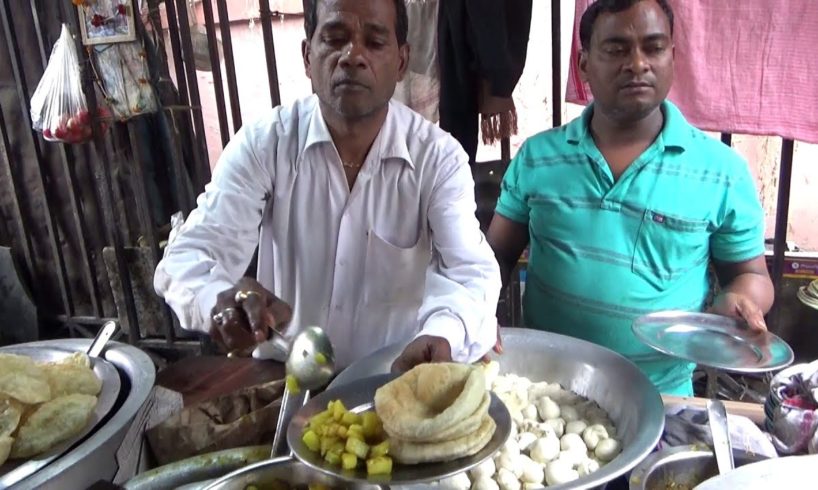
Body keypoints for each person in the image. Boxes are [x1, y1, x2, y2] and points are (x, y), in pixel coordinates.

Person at [154, 0, 501, 373]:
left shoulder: (437, 158)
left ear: (401, 63)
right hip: (285, 383)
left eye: (374, 42)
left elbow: (469, 272)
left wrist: (444, 332)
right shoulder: (265, 144)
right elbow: (190, 255)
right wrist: (218, 302)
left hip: (391, 382)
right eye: (335, 39)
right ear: (308, 57)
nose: (353, 56)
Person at [486, 0, 773, 396]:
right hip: (545, 395)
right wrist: (477, 313)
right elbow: (494, 257)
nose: (637, 64)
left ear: (673, 57)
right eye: (616, 49)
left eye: (653, 48)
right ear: (584, 64)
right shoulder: (538, 157)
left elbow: (751, 275)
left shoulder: (721, 172)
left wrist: (740, 298)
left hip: (663, 397)